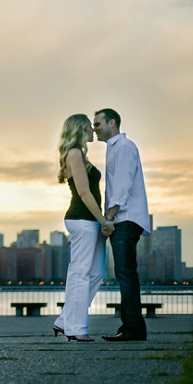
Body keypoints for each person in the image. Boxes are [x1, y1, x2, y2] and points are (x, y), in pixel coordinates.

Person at [53, 114, 111, 342]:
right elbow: (85, 193)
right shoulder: (74, 154)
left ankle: (63, 320)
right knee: (80, 274)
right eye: (89, 125)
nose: (92, 129)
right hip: (83, 220)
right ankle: (76, 329)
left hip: (92, 221)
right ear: (79, 128)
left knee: (96, 273)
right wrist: (104, 221)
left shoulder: (79, 155)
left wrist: (101, 221)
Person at [93, 108, 150, 342]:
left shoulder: (124, 147)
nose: (94, 129)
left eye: (97, 124)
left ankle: (133, 330)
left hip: (125, 219)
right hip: (123, 219)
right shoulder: (115, 148)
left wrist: (109, 217)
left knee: (126, 274)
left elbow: (123, 185)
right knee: (125, 274)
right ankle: (131, 327)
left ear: (112, 123)